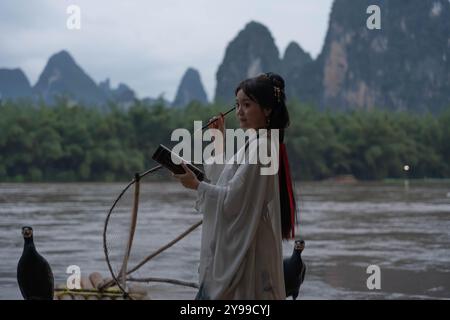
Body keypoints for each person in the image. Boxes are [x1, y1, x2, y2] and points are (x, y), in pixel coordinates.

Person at [173, 72, 296, 300]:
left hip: (249, 245)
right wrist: (218, 139)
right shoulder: (257, 142)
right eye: (237, 105)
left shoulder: (263, 147)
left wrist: (197, 185)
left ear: (267, 109)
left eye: (247, 105)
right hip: (249, 240)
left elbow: (234, 202)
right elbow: (226, 180)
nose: (239, 111)